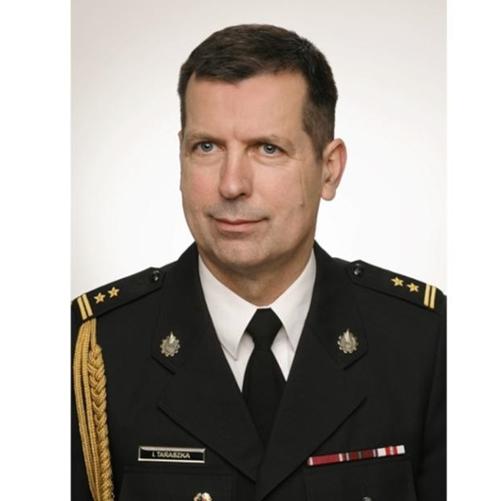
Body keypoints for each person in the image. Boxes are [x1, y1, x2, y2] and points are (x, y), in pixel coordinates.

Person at [72, 24, 445, 501]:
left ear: (329, 170)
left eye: (268, 149)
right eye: (206, 147)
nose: (232, 184)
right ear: (180, 157)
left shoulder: (425, 345)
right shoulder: (93, 350)